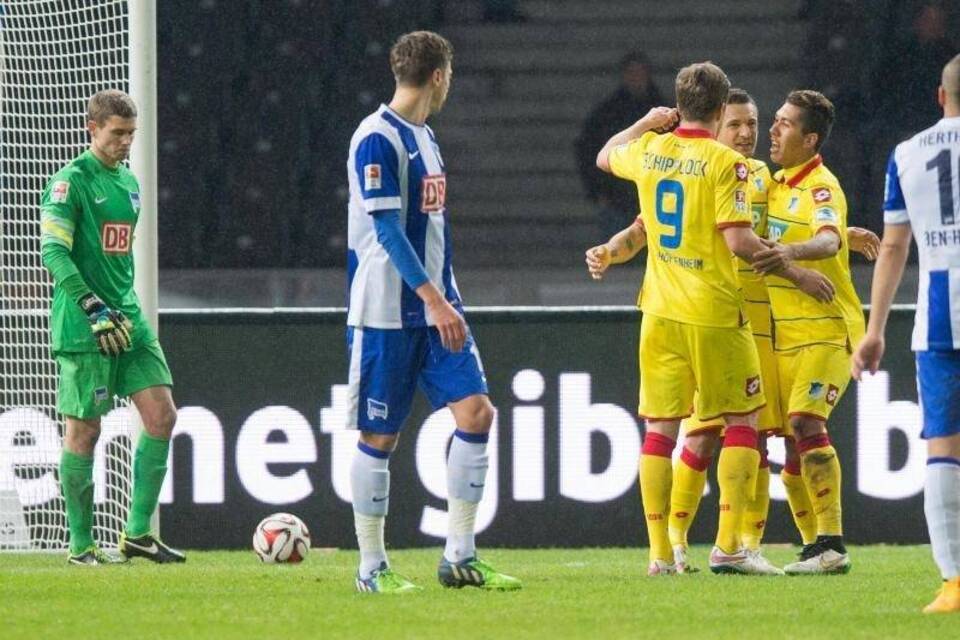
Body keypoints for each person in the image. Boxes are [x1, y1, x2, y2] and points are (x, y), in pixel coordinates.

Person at [587, 89, 877, 574]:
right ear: (717, 125)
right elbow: (650, 228)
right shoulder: (721, 169)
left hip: (757, 323)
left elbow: (780, 228)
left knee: (761, 434)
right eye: (737, 124)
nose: (747, 134)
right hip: (719, 314)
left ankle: (748, 543)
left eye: (754, 124)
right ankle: (682, 543)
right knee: (704, 435)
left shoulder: (760, 178)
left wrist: (843, 233)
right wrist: (612, 250)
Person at [344, 30, 520, 594]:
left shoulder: (426, 136)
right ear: (440, 75)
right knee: (380, 437)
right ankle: (372, 568)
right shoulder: (376, 137)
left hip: (437, 307)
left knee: (477, 415)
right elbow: (388, 230)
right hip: (387, 315)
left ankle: (460, 556)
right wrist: (433, 298)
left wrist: (444, 297)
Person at [39, 90, 183, 565]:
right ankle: (81, 546)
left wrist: (116, 307)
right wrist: (90, 304)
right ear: (92, 128)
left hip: (127, 318)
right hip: (85, 324)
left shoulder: (130, 184)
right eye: (116, 133)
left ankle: (138, 534)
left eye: (130, 134)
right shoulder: (69, 183)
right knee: (85, 431)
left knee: (162, 414)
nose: (125, 142)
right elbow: (53, 252)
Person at [852, 53, 960, 614]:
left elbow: (893, 246)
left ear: (940, 98)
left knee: (943, 445)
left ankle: (954, 584)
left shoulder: (907, 153)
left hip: (938, 315)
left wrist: (874, 330)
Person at [752, 89, 865, 575]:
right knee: (789, 438)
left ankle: (833, 545)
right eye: (774, 120)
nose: (773, 130)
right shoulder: (775, 185)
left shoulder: (823, 186)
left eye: (784, 123)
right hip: (784, 336)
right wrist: (852, 231)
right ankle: (814, 544)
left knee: (805, 424)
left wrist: (793, 254)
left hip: (826, 326)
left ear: (810, 138)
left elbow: (824, 237)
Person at [575, 50, 666, 239]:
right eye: (632, 73)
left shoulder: (663, 110)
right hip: (616, 196)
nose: (636, 79)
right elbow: (587, 149)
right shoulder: (606, 113)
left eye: (640, 73)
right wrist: (596, 190)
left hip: (653, 195)